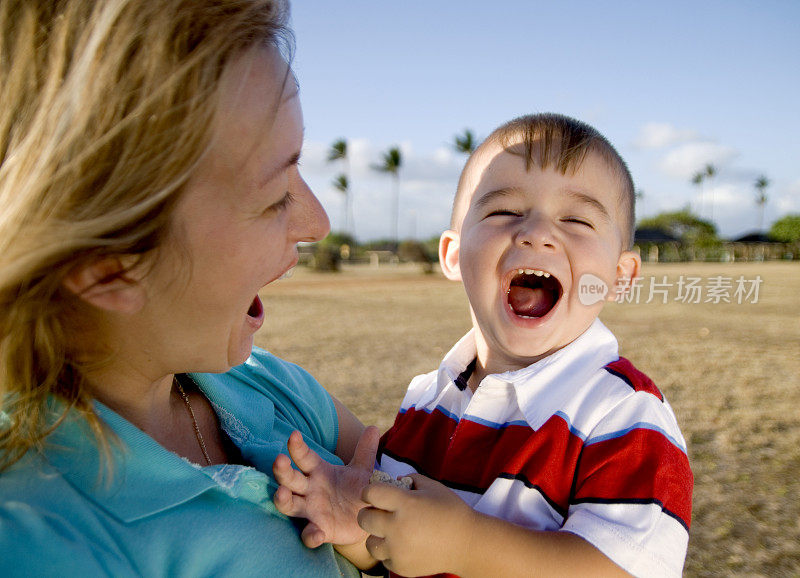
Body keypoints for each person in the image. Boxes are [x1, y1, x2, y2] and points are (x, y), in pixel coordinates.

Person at [0, 1, 378, 575]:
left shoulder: (273, 389)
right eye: (276, 197)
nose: (317, 223)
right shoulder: (43, 537)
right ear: (110, 266)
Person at [272, 113, 694, 577]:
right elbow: (397, 545)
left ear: (619, 276)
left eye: (576, 219)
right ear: (453, 255)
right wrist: (356, 527)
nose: (537, 232)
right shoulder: (426, 401)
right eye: (504, 211)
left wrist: (467, 545)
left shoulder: (623, 414)